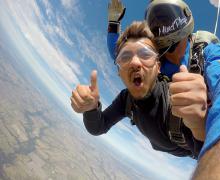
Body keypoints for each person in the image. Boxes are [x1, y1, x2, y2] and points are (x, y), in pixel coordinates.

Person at [71, 21, 207, 159]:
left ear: (158, 67)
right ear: (119, 71)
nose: (135, 63)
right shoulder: (125, 100)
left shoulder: (177, 101)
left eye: (145, 54)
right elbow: (99, 126)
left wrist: (199, 127)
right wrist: (91, 109)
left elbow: (207, 155)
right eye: (125, 57)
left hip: (186, 149)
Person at [144, 0, 220, 178]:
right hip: (172, 141)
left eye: (168, 17)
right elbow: (123, 56)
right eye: (155, 24)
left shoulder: (209, 52)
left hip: (192, 142)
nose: (163, 27)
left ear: (184, 17)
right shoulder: (151, 60)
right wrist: (113, 25)